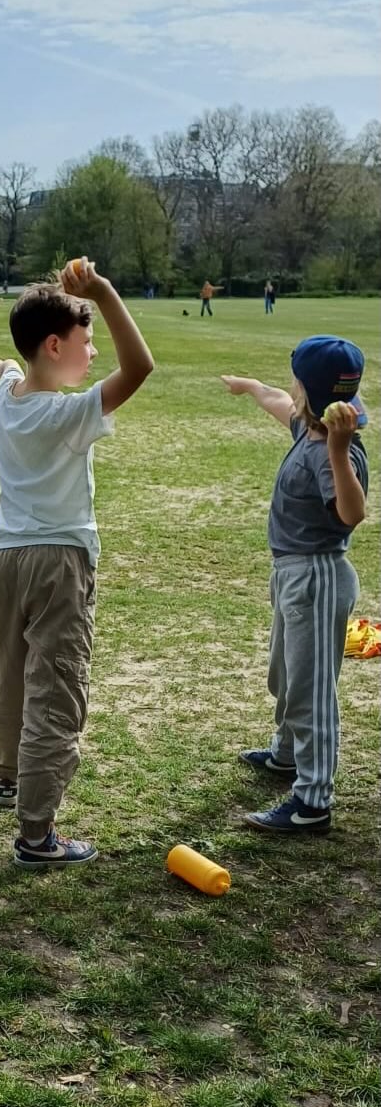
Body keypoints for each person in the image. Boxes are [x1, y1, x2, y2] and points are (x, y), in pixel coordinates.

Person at [0, 257, 155, 868]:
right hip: (60, 560)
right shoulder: (66, 413)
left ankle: (7, 777)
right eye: (86, 343)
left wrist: (8, 361)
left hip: (6, 559)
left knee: (9, 673)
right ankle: (36, 836)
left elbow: (4, 367)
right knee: (54, 689)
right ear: (53, 345)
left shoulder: (10, 397)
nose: (92, 354)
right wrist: (103, 291)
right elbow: (141, 367)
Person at [223, 337, 369, 834]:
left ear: (309, 389)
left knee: (311, 690)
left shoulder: (333, 446)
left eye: (295, 381)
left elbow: (352, 514)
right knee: (285, 673)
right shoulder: (310, 424)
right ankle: (286, 754)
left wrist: (338, 449)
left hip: (318, 575)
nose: (289, 389)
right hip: (292, 573)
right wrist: (248, 387)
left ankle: (313, 801)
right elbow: (278, 402)